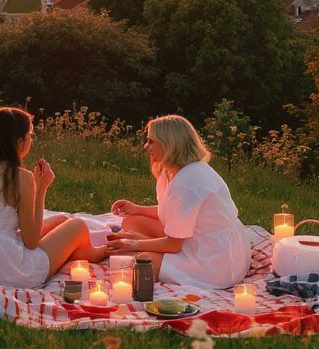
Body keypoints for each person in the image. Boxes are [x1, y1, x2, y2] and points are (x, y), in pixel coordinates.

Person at [0, 107, 105, 288]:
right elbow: (31, 242)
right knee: (78, 225)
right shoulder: (19, 177)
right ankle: (98, 253)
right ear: (19, 142)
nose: (32, 140)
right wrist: (41, 188)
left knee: (61, 220)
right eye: (30, 135)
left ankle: (75, 251)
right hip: (4, 273)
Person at [107, 115, 250, 289]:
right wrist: (136, 209)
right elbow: (175, 211)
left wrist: (131, 244)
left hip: (215, 262)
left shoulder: (188, 181)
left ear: (169, 144)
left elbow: (173, 245)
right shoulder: (172, 171)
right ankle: (145, 242)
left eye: (151, 141)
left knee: (143, 261)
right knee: (133, 221)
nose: (146, 146)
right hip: (203, 242)